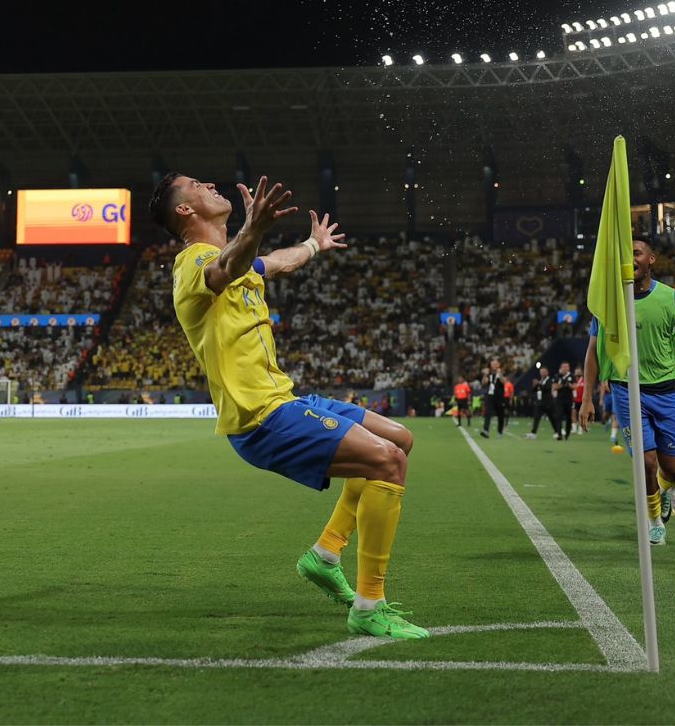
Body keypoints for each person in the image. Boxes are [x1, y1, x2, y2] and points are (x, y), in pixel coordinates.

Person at [150, 173, 427, 640]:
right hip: (260, 418)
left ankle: (325, 555)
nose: (209, 184)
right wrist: (252, 228)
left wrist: (314, 244)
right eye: (196, 184)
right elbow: (225, 268)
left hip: (286, 399)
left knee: (400, 438)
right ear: (184, 210)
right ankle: (369, 606)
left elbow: (277, 262)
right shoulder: (192, 263)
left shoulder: (238, 261)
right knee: (387, 461)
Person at [580, 237, 675, 545]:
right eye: (625, 256)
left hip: (665, 391)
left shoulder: (670, 298)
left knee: (672, 469)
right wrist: (587, 398)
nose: (630, 260)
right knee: (646, 462)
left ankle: (665, 491)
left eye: (637, 253)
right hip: (626, 391)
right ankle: (654, 521)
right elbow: (593, 352)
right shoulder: (609, 304)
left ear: (651, 259)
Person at [526, 366, 560, 439]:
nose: (542, 373)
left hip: (548, 403)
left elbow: (547, 388)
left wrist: (539, 384)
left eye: (544, 372)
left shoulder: (550, 380)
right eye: (541, 372)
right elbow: (533, 390)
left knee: (552, 418)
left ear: (547, 372)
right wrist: (537, 385)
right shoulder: (541, 380)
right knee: (536, 418)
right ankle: (533, 433)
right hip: (540, 403)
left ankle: (557, 431)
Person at [479, 359, 507, 438]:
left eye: (495, 364)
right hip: (490, 396)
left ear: (498, 365)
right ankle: (486, 430)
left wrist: (500, 374)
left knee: (500, 415)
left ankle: (500, 432)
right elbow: (484, 383)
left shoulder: (501, 372)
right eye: (492, 364)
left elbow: (504, 382)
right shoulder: (489, 374)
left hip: (499, 396)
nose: (494, 365)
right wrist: (485, 375)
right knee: (487, 412)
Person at [553, 361, 576, 439]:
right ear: (561, 368)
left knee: (568, 417)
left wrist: (569, 385)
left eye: (567, 366)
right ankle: (559, 434)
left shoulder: (572, 376)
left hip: (569, 399)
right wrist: (563, 384)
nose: (565, 368)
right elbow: (554, 387)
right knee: (558, 416)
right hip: (559, 400)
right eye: (564, 367)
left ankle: (567, 434)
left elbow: (574, 387)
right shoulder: (557, 376)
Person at [572, 369, 586, 434]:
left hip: (582, 400)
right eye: (576, 372)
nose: (577, 373)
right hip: (575, 400)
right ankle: (574, 428)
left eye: (579, 372)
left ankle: (580, 428)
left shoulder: (584, 381)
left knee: (581, 415)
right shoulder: (573, 381)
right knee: (573, 413)